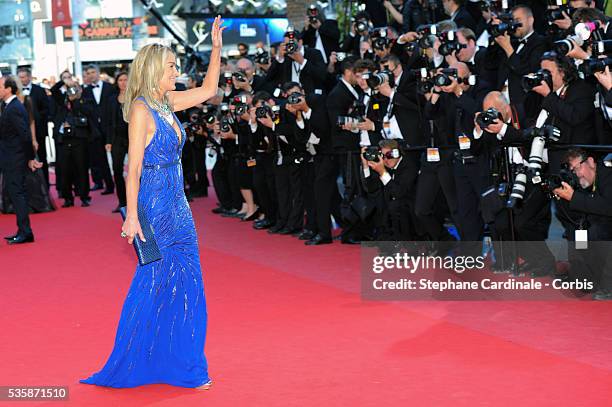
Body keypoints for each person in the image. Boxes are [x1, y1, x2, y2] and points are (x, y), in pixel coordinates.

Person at [80, 16, 225, 389]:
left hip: (180, 207)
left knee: (190, 283)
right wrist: (131, 218)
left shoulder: (168, 103)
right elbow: (133, 169)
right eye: (172, 67)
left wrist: (216, 47)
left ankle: (183, 365)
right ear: (155, 71)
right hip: (155, 209)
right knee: (154, 284)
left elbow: (210, 88)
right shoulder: (143, 109)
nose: (177, 73)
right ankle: (137, 359)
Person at [0, 75, 39, 244]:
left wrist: (30, 157)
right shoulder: (7, 106)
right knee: (15, 193)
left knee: (17, 193)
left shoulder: (15, 107)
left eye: (0, 86)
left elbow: (25, 135)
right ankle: (22, 230)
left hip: (15, 158)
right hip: (10, 156)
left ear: (9, 89)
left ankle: (26, 232)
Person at [108, 71, 129, 213]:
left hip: (134, 138)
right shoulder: (111, 99)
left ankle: (140, 201)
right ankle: (122, 202)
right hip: (117, 139)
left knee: (138, 170)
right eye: (120, 80)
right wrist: (108, 140)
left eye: (126, 79)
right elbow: (107, 122)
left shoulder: (136, 98)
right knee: (117, 169)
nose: (123, 82)